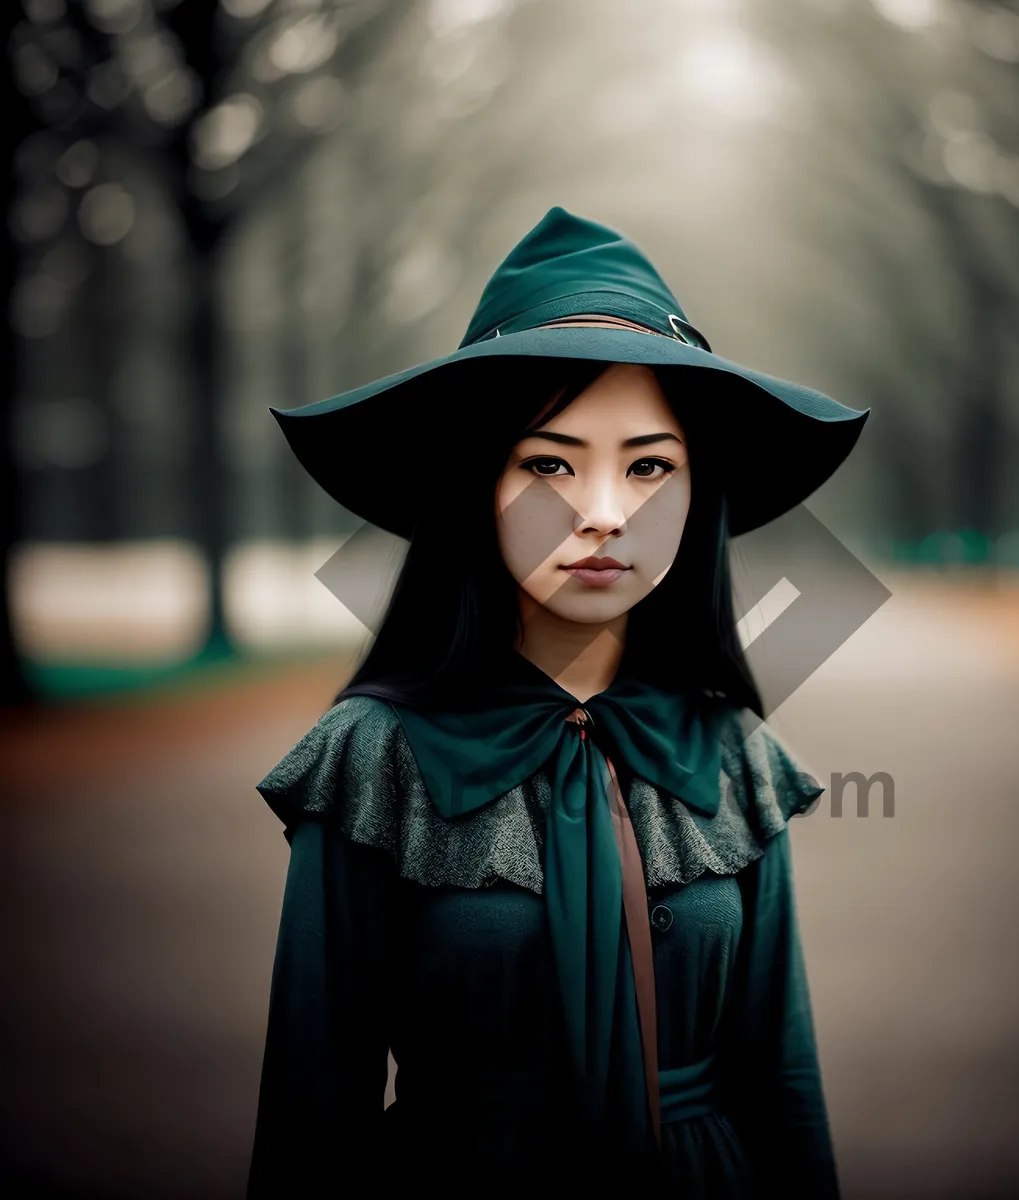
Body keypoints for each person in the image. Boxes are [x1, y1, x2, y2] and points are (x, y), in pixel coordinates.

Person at [246, 207, 869, 1198]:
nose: (605, 513)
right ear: (477, 485)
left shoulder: (732, 750)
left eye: (650, 465)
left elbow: (782, 1076)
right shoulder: (373, 755)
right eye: (549, 463)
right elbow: (313, 1106)